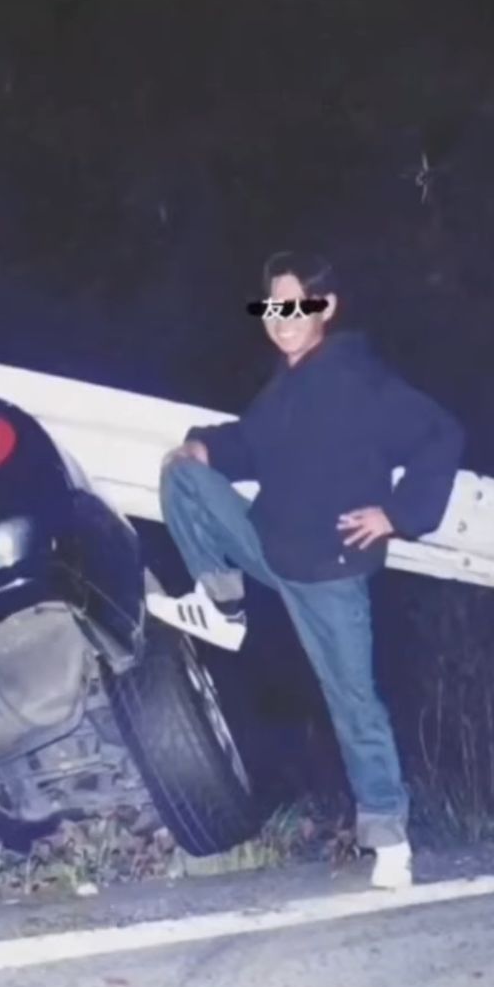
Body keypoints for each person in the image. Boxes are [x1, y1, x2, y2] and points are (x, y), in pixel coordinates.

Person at [147, 250, 465, 889]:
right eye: (273, 306)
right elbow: (250, 443)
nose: (283, 319)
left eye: (296, 305)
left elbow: (442, 436)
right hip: (270, 545)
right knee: (182, 473)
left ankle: (389, 837)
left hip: (330, 570)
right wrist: (205, 444)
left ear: (325, 308)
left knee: (353, 703)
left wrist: (399, 516)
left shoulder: (356, 380)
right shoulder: (284, 386)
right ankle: (223, 604)